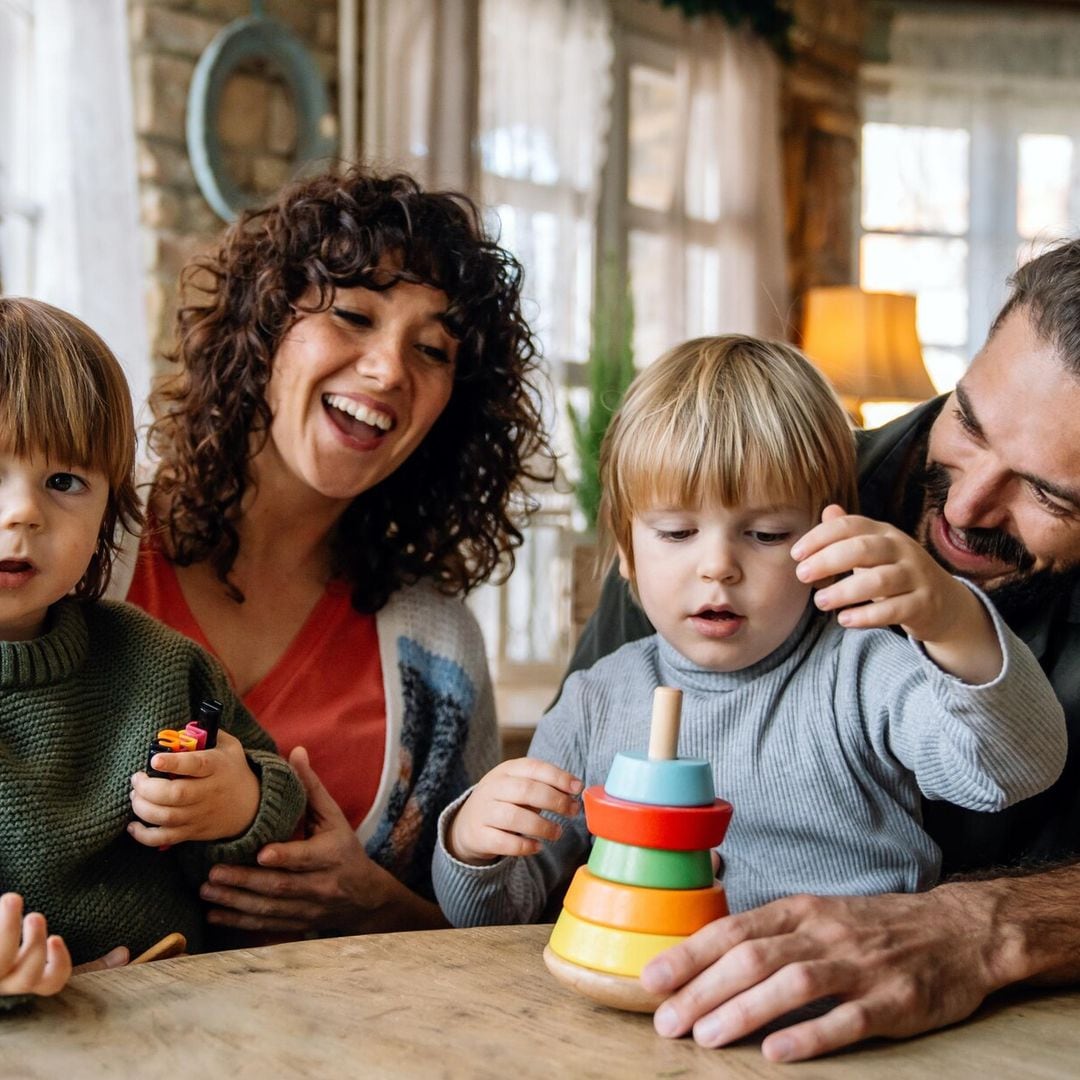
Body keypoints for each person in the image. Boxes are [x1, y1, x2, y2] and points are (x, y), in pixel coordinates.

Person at [569, 239, 1080, 1061]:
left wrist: (988, 928)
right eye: (970, 422)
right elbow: (556, 843)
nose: (970, 507)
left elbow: (1010, 760)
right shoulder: (762, 482)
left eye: (1050, 493)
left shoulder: (863, 668)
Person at [430, 335, 1064, 926]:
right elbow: (501, 914)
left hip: (838, 1002)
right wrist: (472, 847)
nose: (717, 567)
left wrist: (953, 620)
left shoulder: (864, 670)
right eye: (676, 534)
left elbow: (1004, 772)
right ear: (626, 551)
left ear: (827, 540)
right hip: (650, 1009)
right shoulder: (595, 703)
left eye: (766, 535)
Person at [102, 166, 552, 943]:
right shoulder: (82, 548)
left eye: (435, 350)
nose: (388, 370)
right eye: (353, 314)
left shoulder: (439, 647)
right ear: (266, 322)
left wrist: (375, 907)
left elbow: (488, 935)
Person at [0, 297, 305, 1008]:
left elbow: (276, 799)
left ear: (109, 511)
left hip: (178, 1011)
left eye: (64, 482)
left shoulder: (155, 662)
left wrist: (240, 802)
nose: (23, 512)